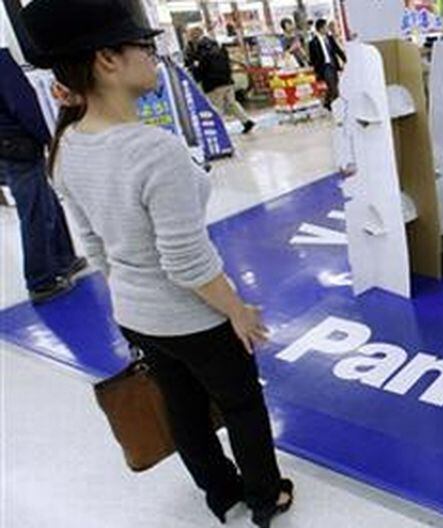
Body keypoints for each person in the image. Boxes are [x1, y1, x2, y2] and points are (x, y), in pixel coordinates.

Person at [20, 1, 293, 526]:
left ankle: (221, 496)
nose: (155, 56)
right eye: (144, 46)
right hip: (194, 317)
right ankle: (265, 496)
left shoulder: (67, 145)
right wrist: (236, 311)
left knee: (182, 407)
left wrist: (131, 293)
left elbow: (95, 246)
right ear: (107, 60)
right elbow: (187, 262)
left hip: (135, 313)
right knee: (240, 403)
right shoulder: (154, 150)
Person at [0, 47, 86, 303]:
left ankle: (64, 258)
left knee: (45, 201)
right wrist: (47, 137)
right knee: (35, 210)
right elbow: (23, 103)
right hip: (18, 143)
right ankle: (41, 280)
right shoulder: (1, 61)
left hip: (7, 147)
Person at [184, 26, 256, 134]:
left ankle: (219, 129)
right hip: (227, 80)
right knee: (232, 103)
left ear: (194, 35)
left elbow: (202, 66)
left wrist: (194, 71)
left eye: (190, 35)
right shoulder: (216, 45)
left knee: (216, 107)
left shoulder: (201, 49)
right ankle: (246, 121)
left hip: (214, 83)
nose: (189, 38)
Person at [308, 19, 346, 110]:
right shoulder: (313, 42)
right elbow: (312, 58)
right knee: (332, 86)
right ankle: (334, 105)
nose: (327, 29)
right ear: (320, 28)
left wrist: (345, 59)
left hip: (333, 65)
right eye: (325, 27)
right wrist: (315, 68)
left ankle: (327, 102)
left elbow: (337, 50)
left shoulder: (329, 38)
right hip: (324, 67)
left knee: (335, 85)